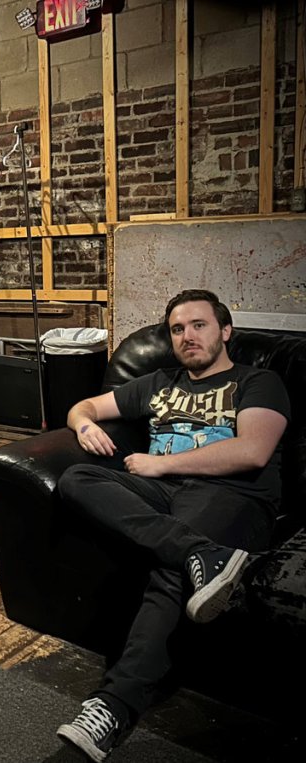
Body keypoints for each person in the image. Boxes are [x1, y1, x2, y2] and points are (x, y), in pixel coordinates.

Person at [54, 289, 290, 761]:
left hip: (232, 494)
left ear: (225, 331)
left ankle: (112, 707)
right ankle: (201, 552)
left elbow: (252, 451)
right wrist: (84, 426)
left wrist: (161, 463)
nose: (187, 336)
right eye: (177, 329)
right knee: (77, 478)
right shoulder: (159, 383)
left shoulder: (258, 380)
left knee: (171, 570)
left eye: (199, 325)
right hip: (163, 493)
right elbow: (85, 407)